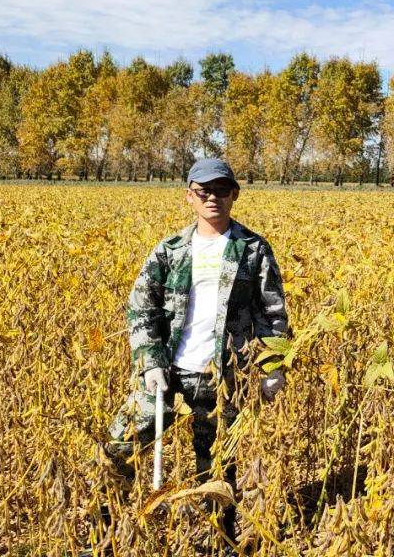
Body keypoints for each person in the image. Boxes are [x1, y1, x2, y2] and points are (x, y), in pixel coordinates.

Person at [99, 158, 289, 549]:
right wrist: (150, 359)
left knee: (217, 471)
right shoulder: (169, 250)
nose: (213, 198)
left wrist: (273, 367)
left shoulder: (253, 250)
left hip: (220, 380)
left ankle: (219, 543)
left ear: (234, 195)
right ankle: (106, 535)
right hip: (165, 374)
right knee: (116, 451)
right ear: (189, 197)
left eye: (221, 190)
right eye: (203, 191)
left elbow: (272, 314)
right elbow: (141, 307)